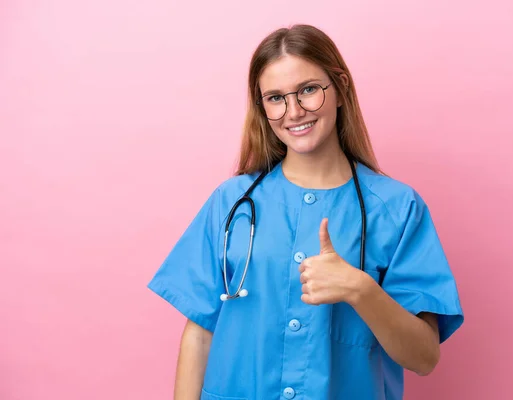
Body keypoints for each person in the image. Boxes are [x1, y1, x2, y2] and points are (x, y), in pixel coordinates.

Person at [148, 24, 464, 400]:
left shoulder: (397, 208)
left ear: (341, 88)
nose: (294, 111)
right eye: (275, 98)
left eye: (309, 90)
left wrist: (360, 289)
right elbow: (199, 335)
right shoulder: (232, 202)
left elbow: (424, 357)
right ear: (262, 107)